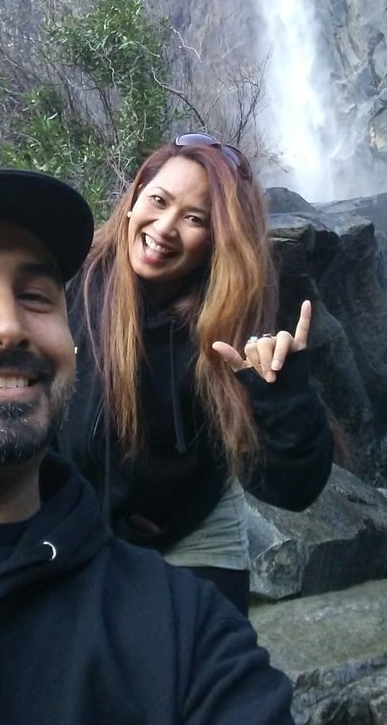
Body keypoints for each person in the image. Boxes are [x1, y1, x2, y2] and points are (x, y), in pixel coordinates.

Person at [0, 161, 295, 725]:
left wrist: (281, 396)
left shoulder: (184, 633)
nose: (9, 324)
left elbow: (286, 481)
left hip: (178, 524)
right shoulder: (101, 291)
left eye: (38, 296)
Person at [57, 134, 334, 615]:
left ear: (217, 240)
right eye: (159, 201)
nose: (164, 228)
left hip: (191, 526)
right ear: (134, 198)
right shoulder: (70, 282)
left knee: (203, 679)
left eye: (194, 219)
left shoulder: (229, 323)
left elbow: (292, 490)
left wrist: (281, 395)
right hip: (70, 519)